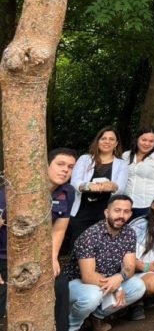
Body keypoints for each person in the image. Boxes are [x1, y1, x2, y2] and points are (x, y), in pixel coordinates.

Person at [0, 148, 77, 331]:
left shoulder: (68, 192)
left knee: (59, 285)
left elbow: (59, 228)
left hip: (36, 255)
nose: (65, 170)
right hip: (4, 257)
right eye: (60, 164)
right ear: (45, 165)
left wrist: (52, 257)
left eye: (71, 167)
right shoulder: (11, 192)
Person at [65, 195, 146, 331]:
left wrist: (119, 278)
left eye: (126, 211)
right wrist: (117, 287)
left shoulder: (129, 233)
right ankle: (71, 326)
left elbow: (130, 267)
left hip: (107, 281)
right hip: (77, 283)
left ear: (131, 214)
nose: (121, 215)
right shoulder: (90, 236)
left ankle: (96, 316)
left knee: (138, 286)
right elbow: (88, 276)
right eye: (117, 210)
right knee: (93, 295)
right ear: (107, 212)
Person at [70, 126, 129, 247]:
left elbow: (121, 188)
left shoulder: (122, 164)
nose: (107, 141)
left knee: (101, 248)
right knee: (77, 245)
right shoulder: (85, 159)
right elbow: (75, 182)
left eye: (111, 139)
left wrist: (112, 186)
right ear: (98, 141)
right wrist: (88, 186)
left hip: (105, 213)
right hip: (82, 211)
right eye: (103, 138)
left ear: (116, 143)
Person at [123, 128, 154, 219]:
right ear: (137, 139)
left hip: (146, 205)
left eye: (151, 141)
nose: (147, 144)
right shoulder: (126, 156)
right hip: (125, 204)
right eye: (144, 140)